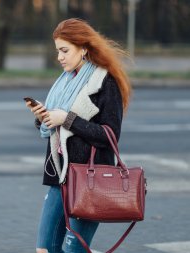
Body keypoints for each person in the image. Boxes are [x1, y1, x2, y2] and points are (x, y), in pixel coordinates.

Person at [25, 18, 132, 253]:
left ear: (84, 48)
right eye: (58, 51)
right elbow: (58, 124)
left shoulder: (105, 82)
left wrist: (67, 119)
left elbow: (110, 135)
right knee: (45, 249)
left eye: (65, 50)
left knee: (74, 250)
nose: (59, 57)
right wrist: (45, 117)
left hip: (90, 181)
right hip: (60, 178)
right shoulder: (65, 81)